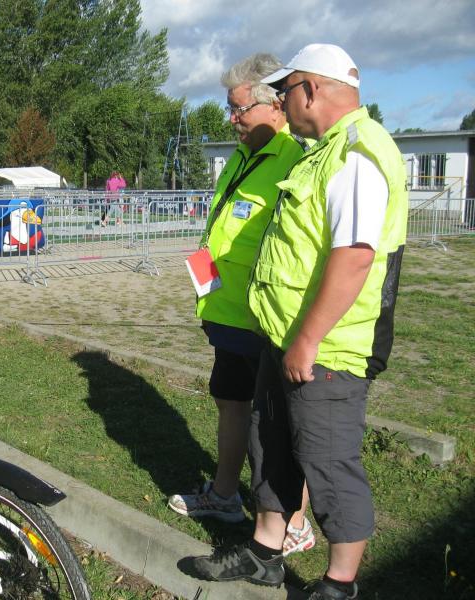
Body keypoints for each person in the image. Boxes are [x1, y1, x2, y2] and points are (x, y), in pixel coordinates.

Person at [190, 44, 408, 600]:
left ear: (310, 88)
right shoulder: (324, 152)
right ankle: (265, 552)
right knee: (270, 445)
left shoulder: (356, 154)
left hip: (326, 348)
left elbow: (354, 257)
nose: (283, 103)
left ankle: (339, 583)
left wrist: (308, 339)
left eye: (285, 91)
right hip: (282, 336)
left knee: (327, 461)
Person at [167, 53, 314, 556]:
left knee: (278, 423)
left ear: (276, 104)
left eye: (239, 108)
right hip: (227, 312)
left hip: (267, 318)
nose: (231, 119)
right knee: (231, 404)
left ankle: (295, 522)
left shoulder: (295, 159)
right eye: (230, 108)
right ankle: (225, 495)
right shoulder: (241, 154)